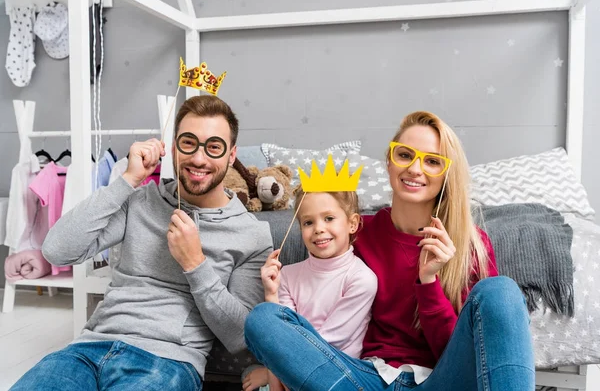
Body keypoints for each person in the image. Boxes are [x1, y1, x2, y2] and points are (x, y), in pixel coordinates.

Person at [244, 111, 535, 390]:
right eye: (405, 155)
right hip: (362, 379)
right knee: (263, 318)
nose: (415, 169)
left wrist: (429, 282)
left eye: (432, 161)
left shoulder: (471, 245)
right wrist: (277, 358)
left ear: (447, 174)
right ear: (389, 162)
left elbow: (460, 353)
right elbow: (313, 285)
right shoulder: (356, 232)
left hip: (441, 381)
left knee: (502, 292)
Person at [10, 95, 273, 391]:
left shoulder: (252, 234)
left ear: (231, 154)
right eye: (189, 143)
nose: (199, 159)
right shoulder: (140, 200)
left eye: (213, 147)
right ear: (174, 147)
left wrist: (195, 264)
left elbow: (238, 335)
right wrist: (128, 180)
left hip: (166, 360)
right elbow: (56, 251)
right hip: (87, 349)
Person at [243, 187, 377, 391]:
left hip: (334, 377)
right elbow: (278, 339)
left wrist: (280, 376)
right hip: (287, 372)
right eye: (308, 222)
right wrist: (271, 294)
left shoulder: (362, 279)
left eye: (329, 218)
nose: (318, 228)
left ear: (352, 224)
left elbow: (325, 347)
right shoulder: (287, 275)